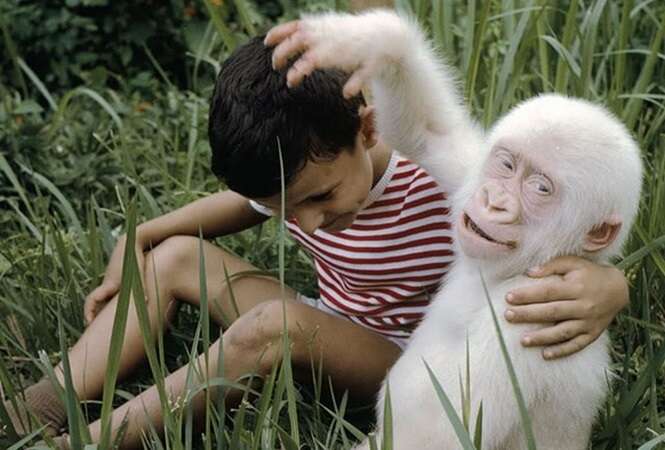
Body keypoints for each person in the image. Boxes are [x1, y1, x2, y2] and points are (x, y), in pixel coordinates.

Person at [3, 36, 629, 449]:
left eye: (319, 199)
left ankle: (89, 442)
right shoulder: (300, 170)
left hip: (406, 361)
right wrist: (141, 235)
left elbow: (541, 237)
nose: (303, 222)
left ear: (369, 127)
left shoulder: (448, 177)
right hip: (331, 323)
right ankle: (43, 403)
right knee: (174, 258)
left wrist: (610, 283)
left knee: (275, 324)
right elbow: (238, 207)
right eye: (283, 209)